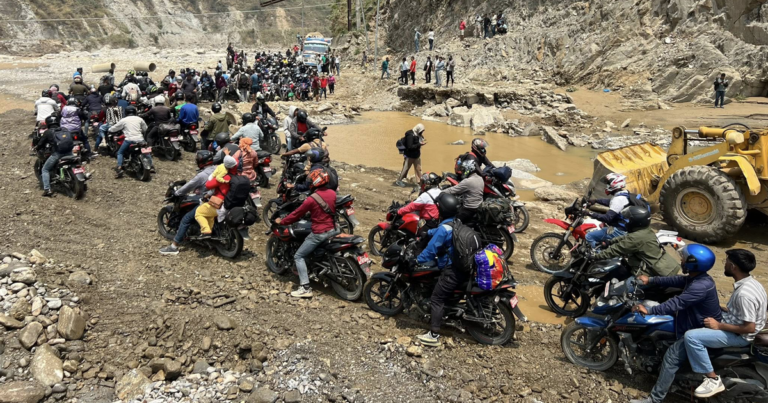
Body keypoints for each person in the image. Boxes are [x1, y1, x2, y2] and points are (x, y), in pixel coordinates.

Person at [629, 245, 722, 403]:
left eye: (684, 259)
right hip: (693, 322)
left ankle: (655, 399)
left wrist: (650, 310)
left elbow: (676, 303)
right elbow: (678, 280)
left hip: (697, 329)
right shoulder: (699, 278)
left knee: (671, 358)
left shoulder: (699, 286)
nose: (681, 261)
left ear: (693, 263)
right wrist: (651, 279)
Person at [684, 249, 766, 399]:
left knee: (691, 337)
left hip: (741, 336)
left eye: (726, 261)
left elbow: (749, 327)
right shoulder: (753, 283)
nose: (725, 264)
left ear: (733, 267)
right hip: (737, 323)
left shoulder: (744, 294)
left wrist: (718, 326)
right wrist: (725, 310)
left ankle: (712, 379)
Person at [275, 169, 338, 299]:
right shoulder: (333, 193)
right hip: (334, 229)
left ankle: (305, 288)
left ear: (315, 182)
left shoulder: (311, 199)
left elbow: (296, 214)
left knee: (299, 256)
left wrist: (282, 221)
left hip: (320, 232)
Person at [415, 193, 461, 347]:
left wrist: (417, 260)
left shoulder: (443, 229)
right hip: (461, 265)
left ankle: (433, 335)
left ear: (442, 211)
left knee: (436, 298)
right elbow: (441, 231)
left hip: (451, 269)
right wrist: (427, 232)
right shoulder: (456, 222)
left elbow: (430, 250)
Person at [593, 206, 681, 278]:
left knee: (617, 290)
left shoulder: (637, 237)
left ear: (637, 222)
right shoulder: (645, 230)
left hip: (648, 273)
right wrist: (609, 242)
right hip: (651, 263)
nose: (627, 222)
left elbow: (616, 249)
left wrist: (595, 257)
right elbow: (626, 237)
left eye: (629, 220)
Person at [159, 151, 217, 255]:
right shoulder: (217, 169)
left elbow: (189, 186)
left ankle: (173, 247)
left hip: (207, 201)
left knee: (186, 219)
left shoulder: (202, 175)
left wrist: (177, 193)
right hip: (220, 199)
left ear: (201, 161)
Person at [196, 156, 238, 237]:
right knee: (209, 213)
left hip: (220, 203)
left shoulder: (225, 176)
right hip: (232, 204)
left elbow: (208, 185)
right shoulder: (237, 175)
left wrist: (216, 176)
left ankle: (206, 231)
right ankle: (211, 230)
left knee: (199, 212)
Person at [585, 173, 631, 248]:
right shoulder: (623, 195)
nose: (606, 186)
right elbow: (610, 202)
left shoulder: (618, 199)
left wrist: (589, 213)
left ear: (614, 184)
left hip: (619, 230)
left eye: (608, 184)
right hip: (624, 227)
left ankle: (598, 254)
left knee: (589, 236)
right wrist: (596, 200)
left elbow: (607, 218)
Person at [36, 115, 75, 197]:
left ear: (48, 124)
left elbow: (41, 143)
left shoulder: (48, 132)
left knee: (45, 169)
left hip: (58, 154)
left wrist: (37, 148)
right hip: (69, 152)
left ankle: (47, 189)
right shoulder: (65, 129)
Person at [398, 172, 443, 241]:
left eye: (423, 182)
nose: (421, 184)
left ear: (427, 184)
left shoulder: (426, 195)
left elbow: (411, 207)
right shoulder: (440, 191)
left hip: (429, 223)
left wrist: (399, 211)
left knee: (418, 242)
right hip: (440, 221)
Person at [109, 106, 149, 178]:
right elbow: (145, 129)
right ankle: (151, 166)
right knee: (146, 152)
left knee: (120, 153)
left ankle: (119, 168)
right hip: (140, 139)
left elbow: (114, 128)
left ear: (126, 112)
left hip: (129, 140)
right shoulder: (140, 119)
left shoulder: (124, 120)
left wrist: (110, 130)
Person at [442, 159, 483, 223]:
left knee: (453, 223)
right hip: (478, 207)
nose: (462, 172)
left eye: (463, 170)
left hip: (468, 210)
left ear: (468, 169)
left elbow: (452, 190)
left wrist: (440, 192)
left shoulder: (468, 181)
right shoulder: (480, 178)